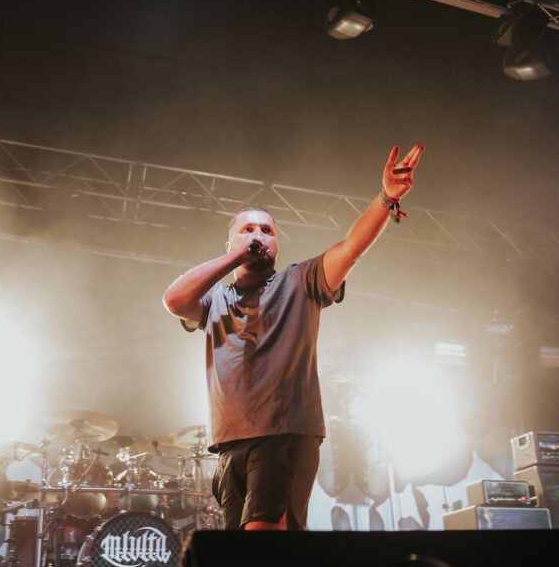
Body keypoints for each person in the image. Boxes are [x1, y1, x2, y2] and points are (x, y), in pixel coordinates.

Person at [162, 145, 424, 530]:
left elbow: (351, 249)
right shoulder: (216, 298)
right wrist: (236, 259)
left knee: (263, 546)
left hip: (284, 434)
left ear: (278, 243)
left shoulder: (300, 281)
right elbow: (173, 300)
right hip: (229, 442)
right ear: (230, 243)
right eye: (248, 230)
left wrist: (387, 198)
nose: (258, 236)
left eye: (267, 231)